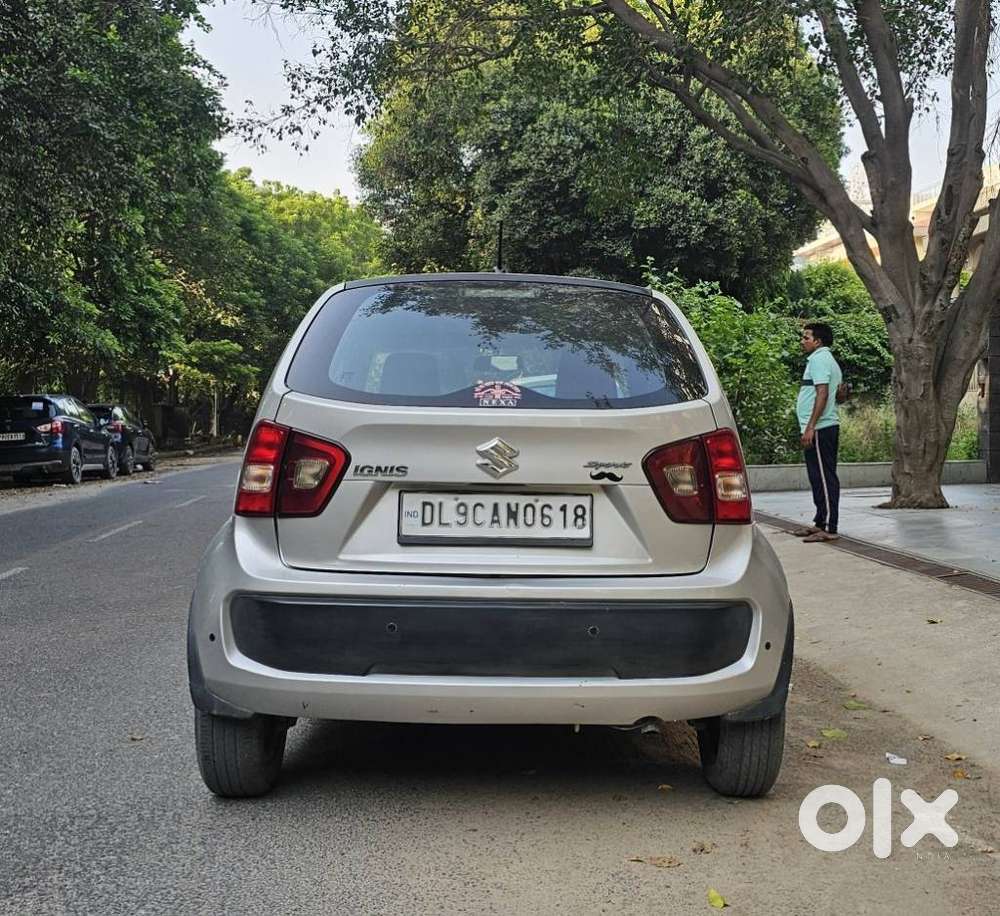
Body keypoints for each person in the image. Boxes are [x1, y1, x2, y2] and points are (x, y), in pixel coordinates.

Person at [794, 322, 842, 542]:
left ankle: (830, 528)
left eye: (806, 337)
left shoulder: (819, 359)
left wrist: (811, 426)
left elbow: (822, 394)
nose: (803, 341)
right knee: (817, 477)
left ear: (818, 341)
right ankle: (820, 521)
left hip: (821, 429)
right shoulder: (822, 359)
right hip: (817, 428)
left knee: (824, 478)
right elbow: (837, 395)